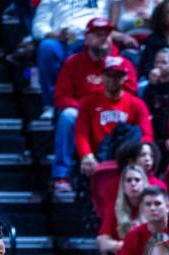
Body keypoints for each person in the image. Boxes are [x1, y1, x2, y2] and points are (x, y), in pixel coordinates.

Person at [51, 18, 137, 193]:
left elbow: (132, 94)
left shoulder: (122, 63)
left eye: (106, 35)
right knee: (67, 115)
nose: (103, 38)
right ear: (87, 38)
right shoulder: (74, 63)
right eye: (98, 35)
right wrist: (87, 109)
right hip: (82, 112)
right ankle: (62, 174)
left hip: (114, 110)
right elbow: (61, 97)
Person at [74, 57, 153, 181]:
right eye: (108, 75)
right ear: (101, 76)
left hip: (129, 160)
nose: (112, 79)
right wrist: (87, 155)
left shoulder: (137, 104)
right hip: (98, 159)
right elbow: (81, 133)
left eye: (117, 75)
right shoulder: (88, 103)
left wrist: (138, 157)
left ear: (125, 78)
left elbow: (147, 135)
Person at [32, 1, 110, 119]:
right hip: (62, 41)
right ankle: (51, 105)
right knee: (47, 47)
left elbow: (112, 19)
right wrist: (56, 35)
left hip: (94, 38)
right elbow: (38, 26)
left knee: (103, 45)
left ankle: (104, 102)